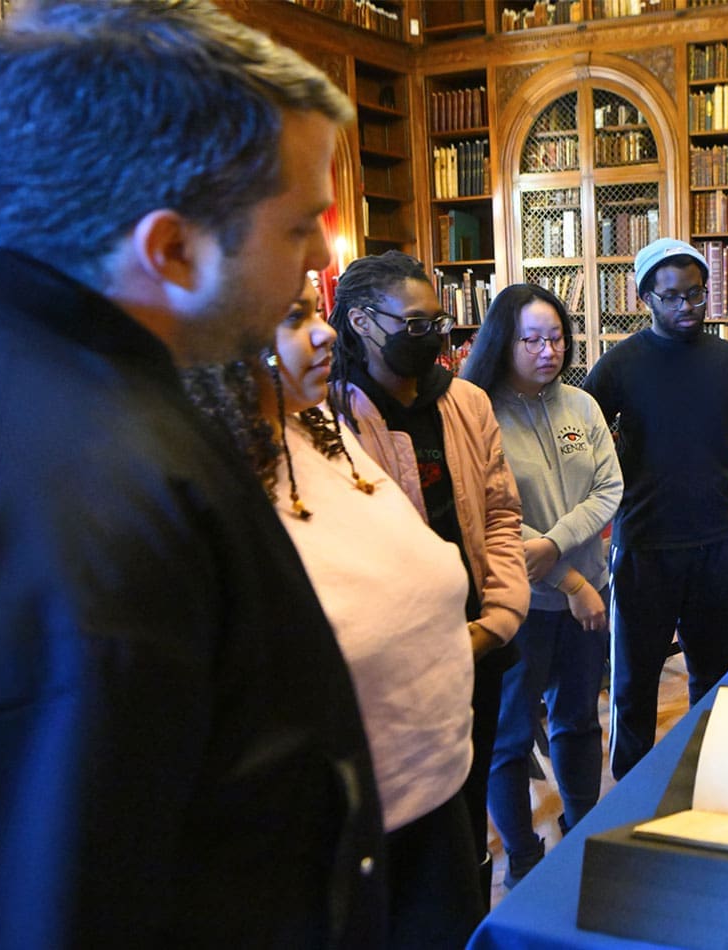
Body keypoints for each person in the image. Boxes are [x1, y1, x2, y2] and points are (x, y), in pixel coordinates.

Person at [0, 2, 387, 946]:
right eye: (299, 225)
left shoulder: (68, 391)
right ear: (171, 250)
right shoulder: (105, 488)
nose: (325, 257)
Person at [183, 281, 486, 946]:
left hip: (435, 794)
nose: (324, 334)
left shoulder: (324, 433)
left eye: (318, 313)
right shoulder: (213, 473)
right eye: (294, 320)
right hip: (342, 833)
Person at [328, 250, 529, 900]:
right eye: (415, 324)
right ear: (361, 321)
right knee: (408, 821)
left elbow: (501, 513)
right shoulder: (331, 419)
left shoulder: (466, 402)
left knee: (469, 800)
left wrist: (496, 621)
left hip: (481, 646)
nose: (435, 337)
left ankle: (471, 905)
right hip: (396, 666)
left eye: (437, 322)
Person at [583, 237, 728, 779]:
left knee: (714, 672)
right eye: (672, 297)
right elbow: (590, 440)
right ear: (646, 298)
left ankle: (710, 774)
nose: (687, 306)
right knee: (633, 680)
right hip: (642, 543)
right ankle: (631, 786)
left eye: (696, 294)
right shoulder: (619, 364)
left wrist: (709, 460)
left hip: (715, 541)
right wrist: (632, 470)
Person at [462, 283, 623, 887]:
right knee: (507, 737)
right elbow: (493, 513)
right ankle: (524, 861)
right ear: (504, 341)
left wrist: (558, 549)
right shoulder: (475, 411)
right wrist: (567, 573)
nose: (546, 350)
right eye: (531, 338)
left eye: (555, 337)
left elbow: (609, 488)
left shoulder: (581, 407)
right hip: (520, 603)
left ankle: (582, 834)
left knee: (579, 720)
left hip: (585, 596)